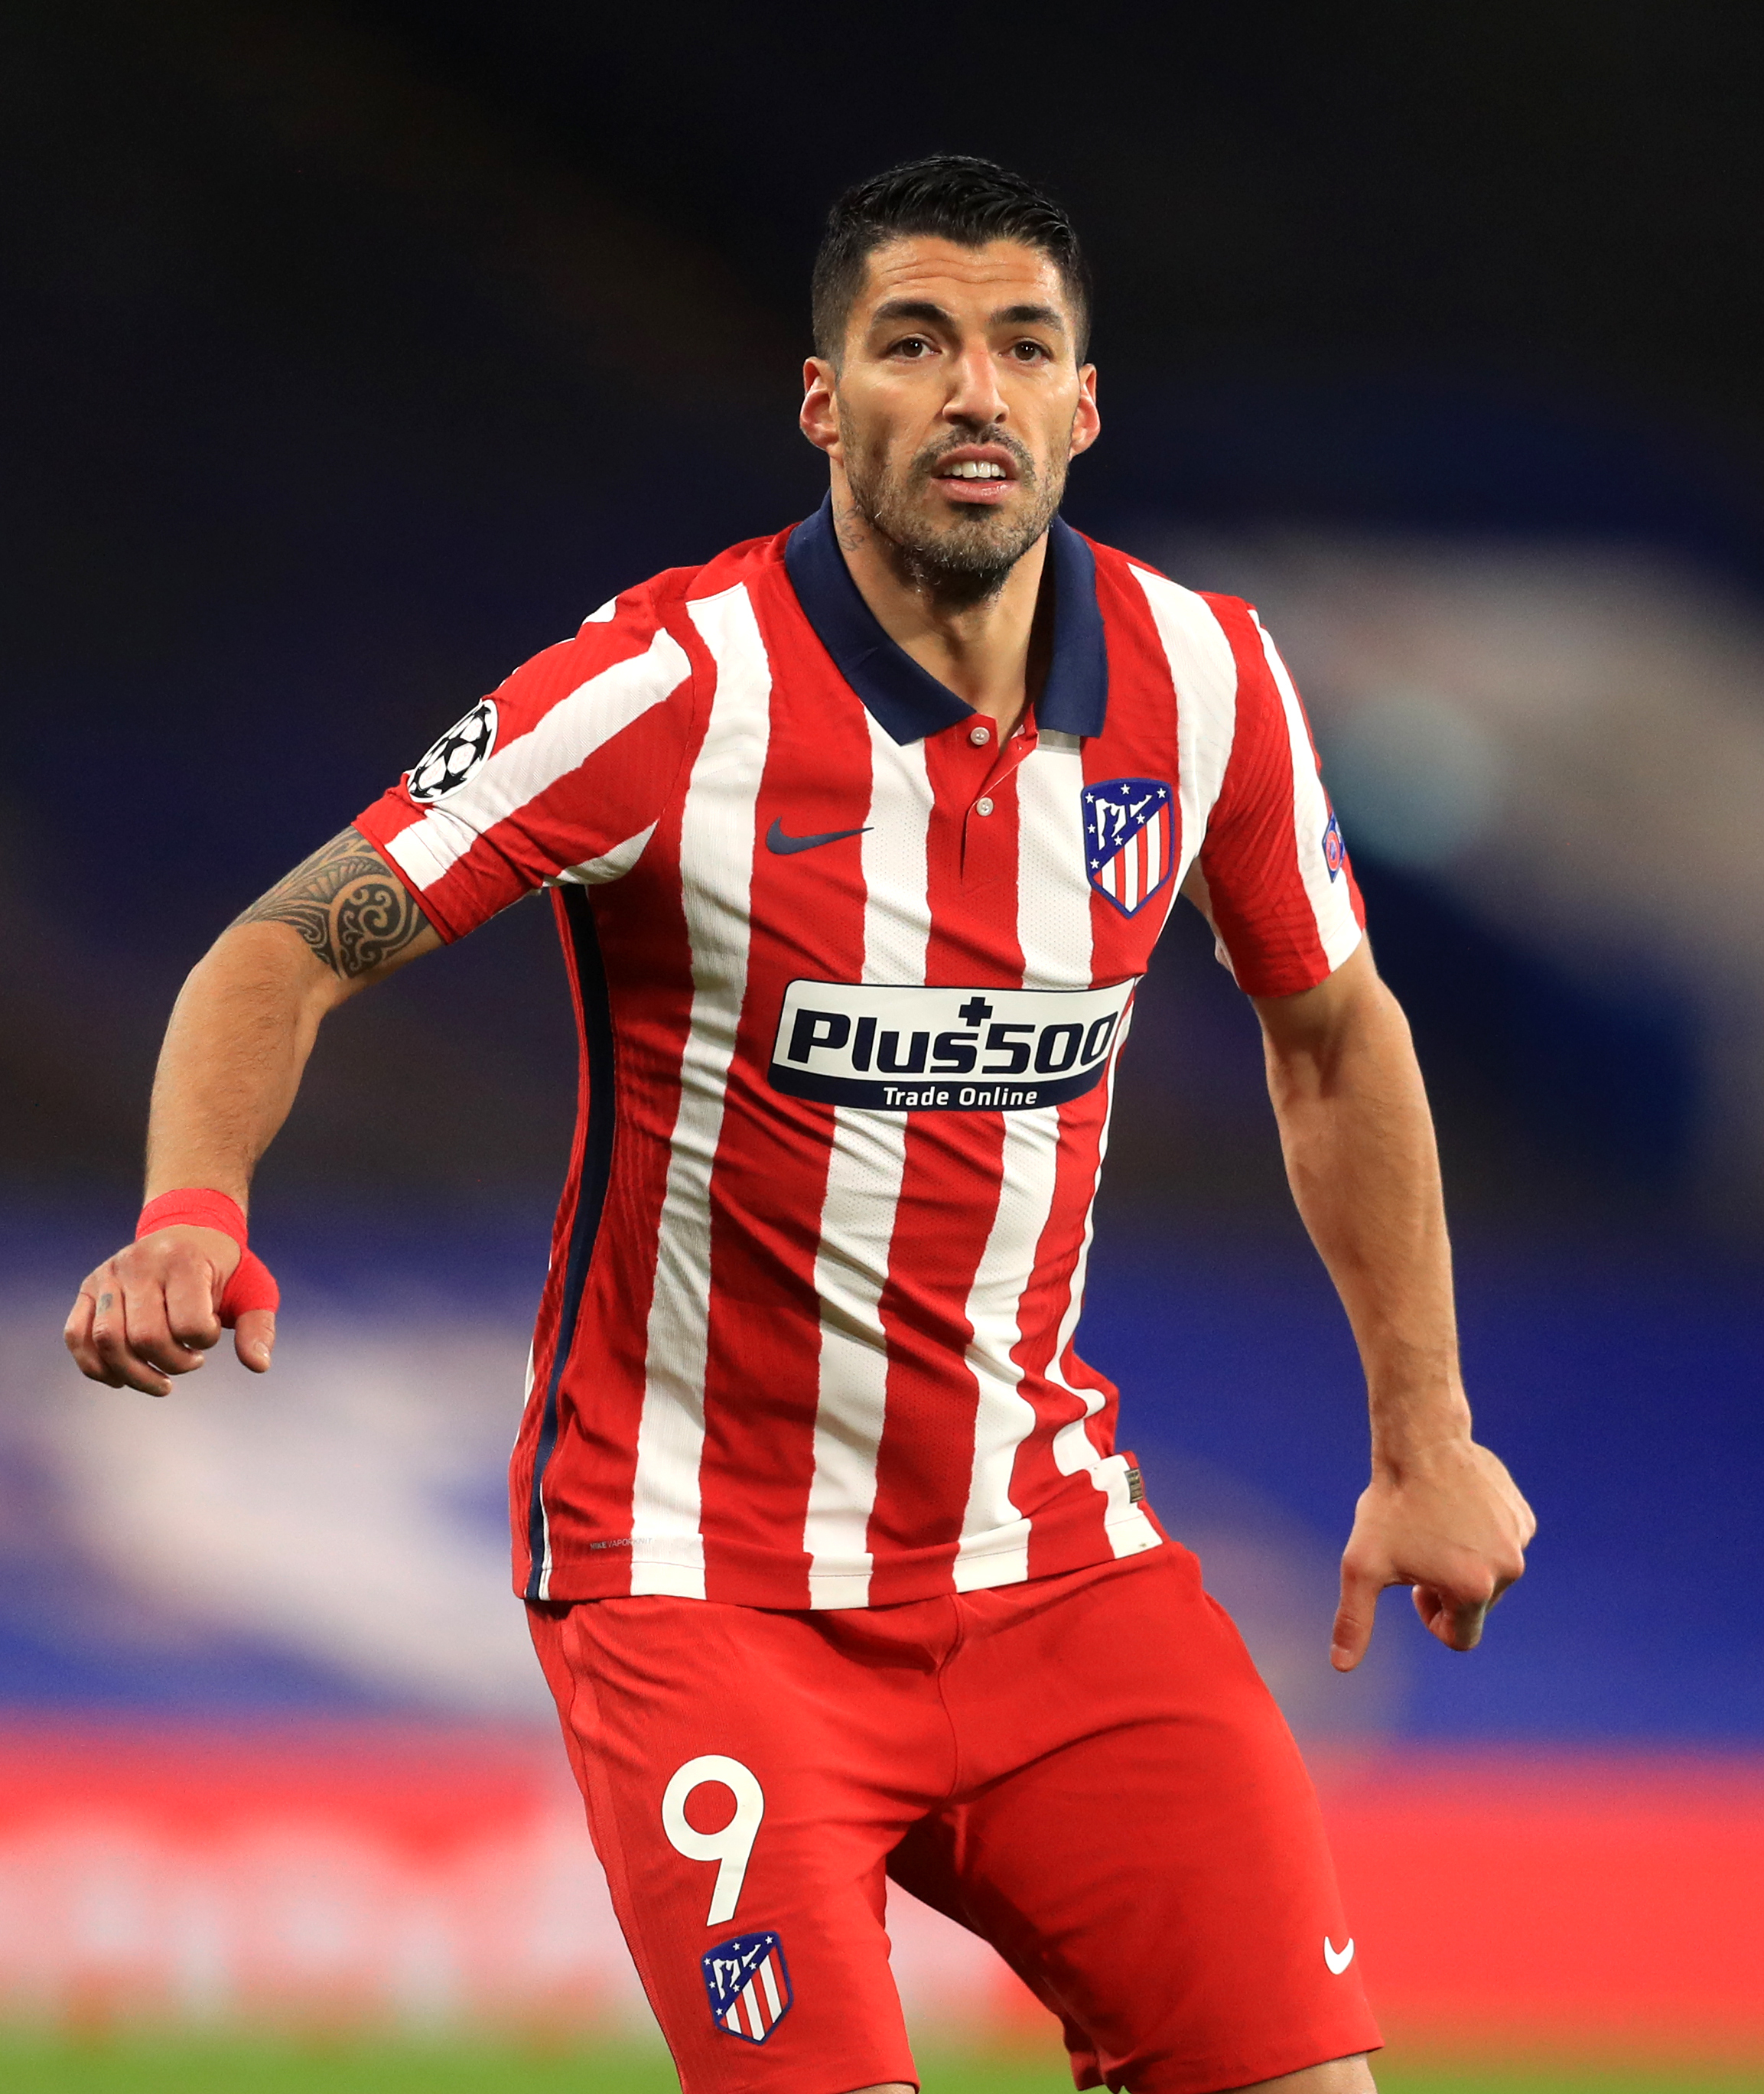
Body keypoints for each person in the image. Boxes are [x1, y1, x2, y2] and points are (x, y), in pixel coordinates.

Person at [64, 156, 1534, 2094]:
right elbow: (285, 943)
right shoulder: (666, 688)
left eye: (1023, 347)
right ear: (827, 401)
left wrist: (1424, 1437)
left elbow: (1334, 1033)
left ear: (1083, 405)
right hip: (701, 1590)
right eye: (914, 344)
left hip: (1047, 1564)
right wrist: (192, 1204)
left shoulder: (1206, 680)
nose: (975, 393)